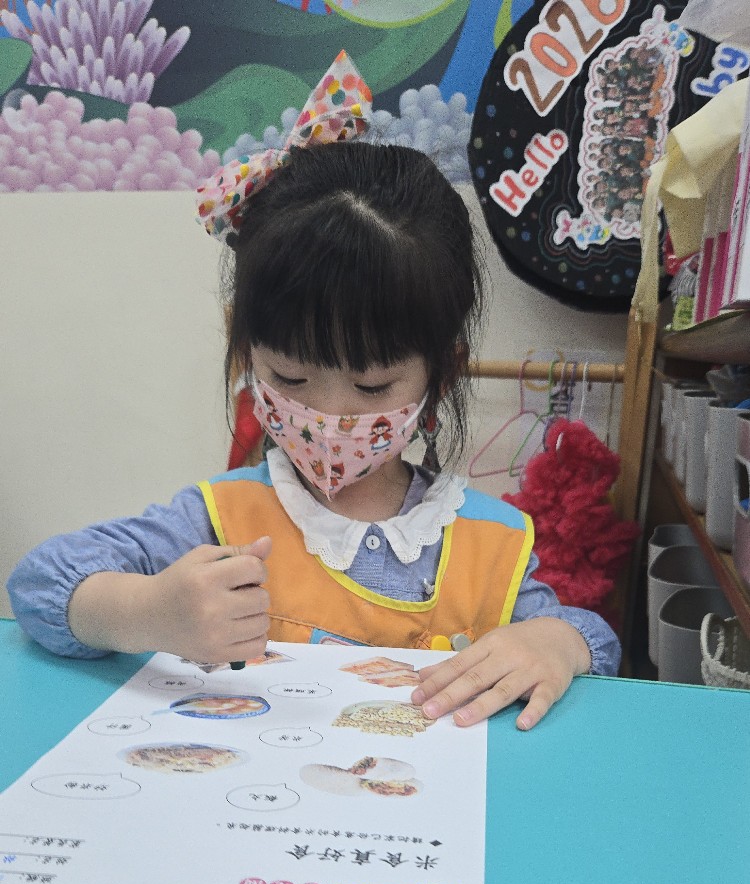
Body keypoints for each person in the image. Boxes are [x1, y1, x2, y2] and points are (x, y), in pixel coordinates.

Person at [7, 51, 620, 731]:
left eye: (373, 385)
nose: (329, 415)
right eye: (291, 378)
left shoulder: (489, 540)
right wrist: (150, 611)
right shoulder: (221, 518)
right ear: (245, 348)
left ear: (443, 373)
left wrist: (555, 643)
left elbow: (590, 641)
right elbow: (39, 583)